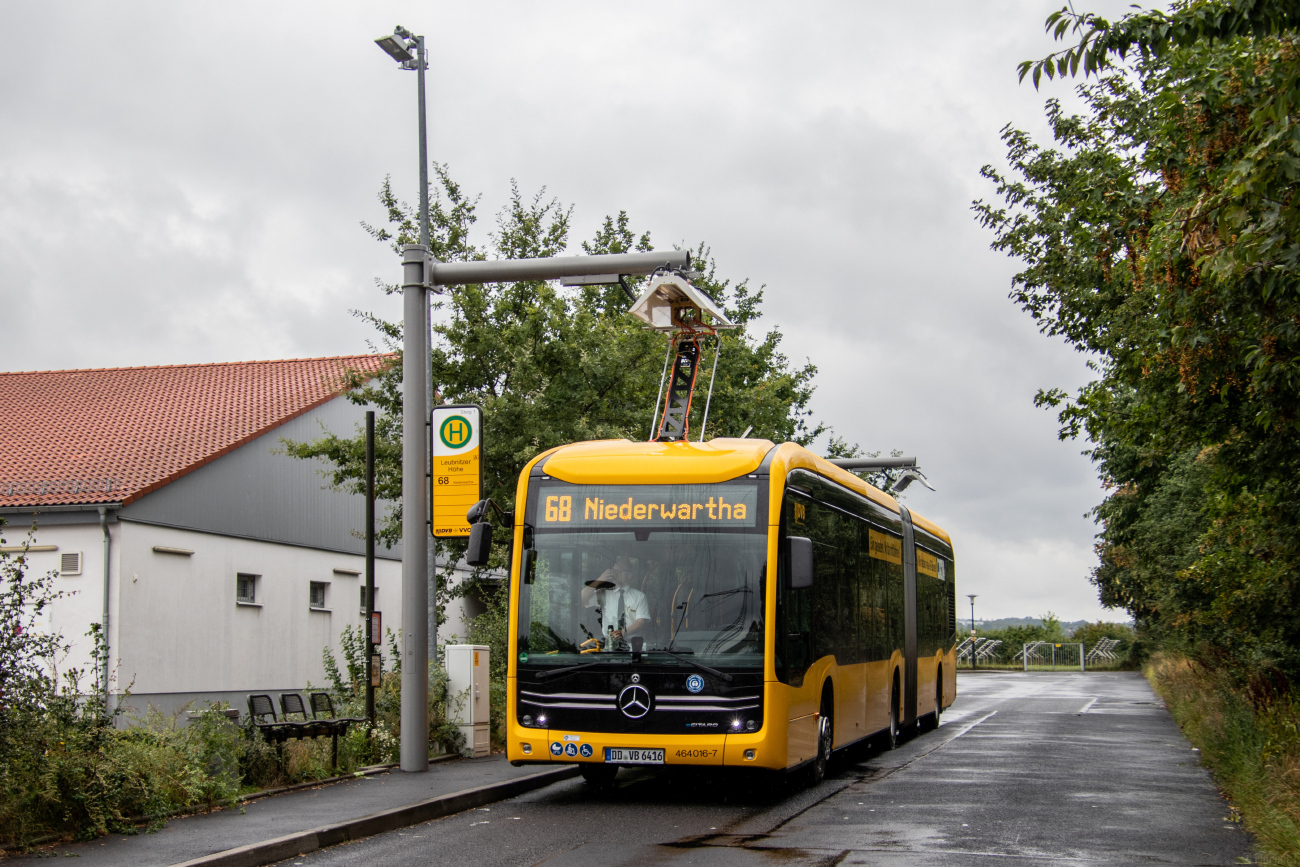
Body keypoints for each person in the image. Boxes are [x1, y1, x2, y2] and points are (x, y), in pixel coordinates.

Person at [581, 553, 650, 649]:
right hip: (609, 644)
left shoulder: (639, 597)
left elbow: (640, 622)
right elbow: (583, 599)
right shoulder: (605, 593)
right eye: (614, 571)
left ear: (629, 575)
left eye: (619, 571)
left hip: (633, 646)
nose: (615, 573)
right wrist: (599, 580)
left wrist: (623, 632)